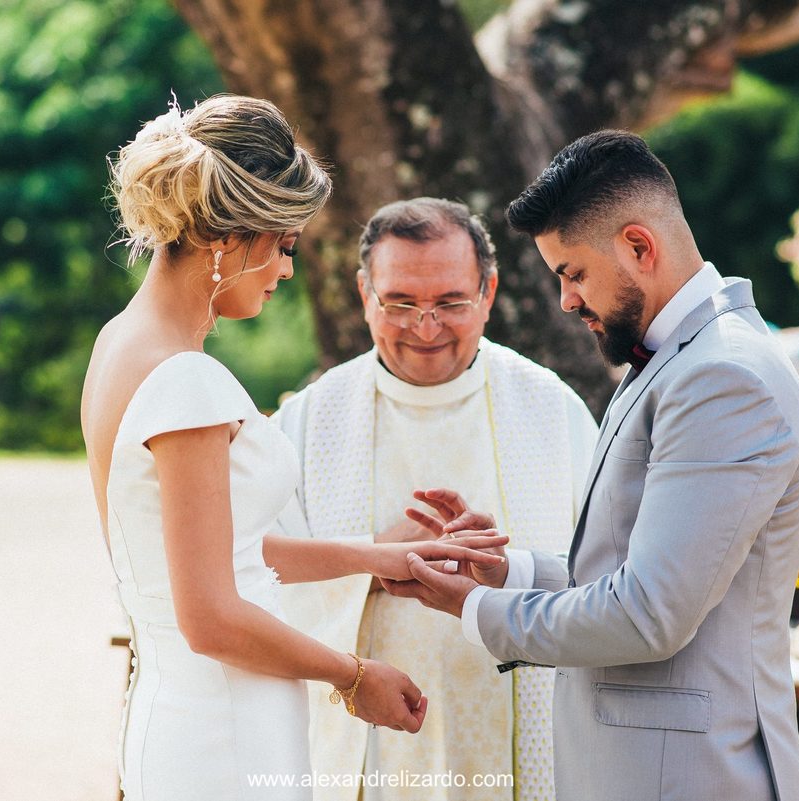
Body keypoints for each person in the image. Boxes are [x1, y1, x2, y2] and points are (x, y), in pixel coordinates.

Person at [81, 95, 507, 801]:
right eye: (284, 244)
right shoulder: (186, 380)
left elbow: (214, 549)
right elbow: (211, 615)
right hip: (226, 731)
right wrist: (355, 674)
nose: (285, 269)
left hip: (180, 712)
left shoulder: (121, 345)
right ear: (230, 236)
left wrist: (376, 555)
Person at [382, 131, 799, 801]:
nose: (565, 300)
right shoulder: (681, 359)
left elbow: (647, 613)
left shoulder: (722, 378)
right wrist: (508, 569)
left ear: (639, 247)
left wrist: (478, 607)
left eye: (573, 273)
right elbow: (646, 572)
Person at [272, 198, 597, 801]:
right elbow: (254, 584)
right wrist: (374, 559)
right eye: (400, 303)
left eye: (450, 302)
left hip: (521, 737)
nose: (426, 327)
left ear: (489, 291)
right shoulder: (310, 421)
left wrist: (505, 569)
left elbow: (605, 576)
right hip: (365, 741)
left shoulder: (551, 410)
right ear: (365, 294)